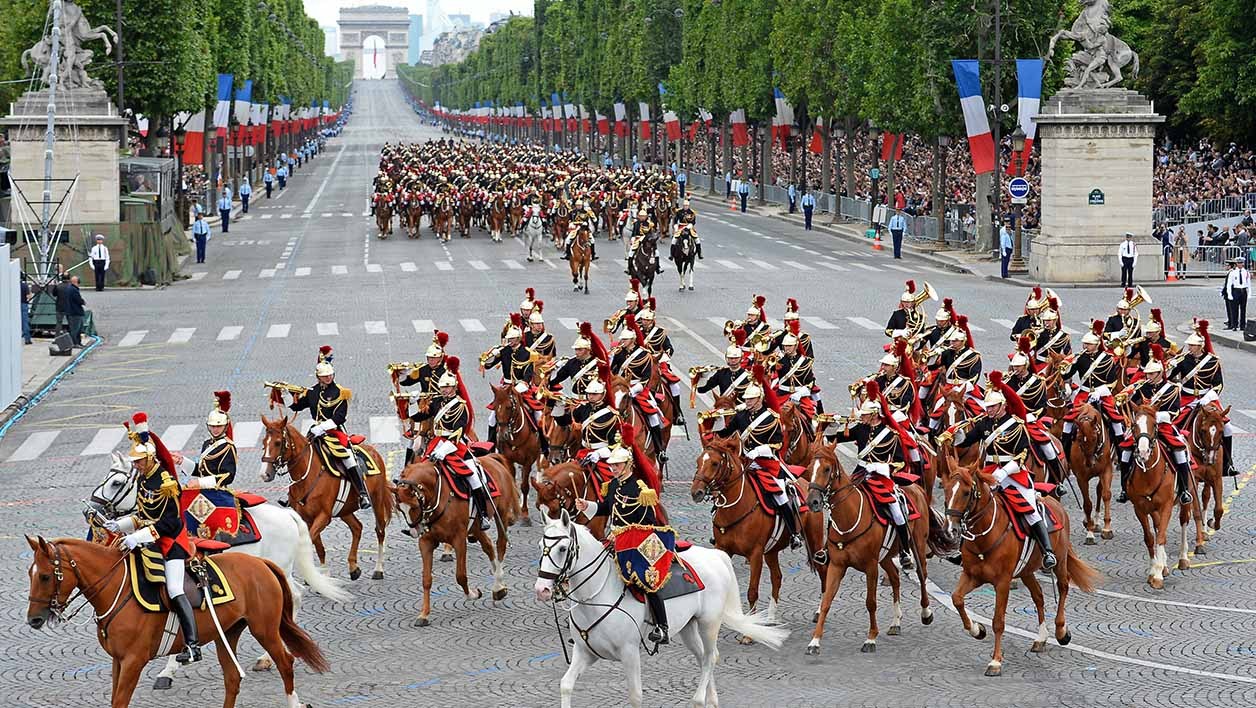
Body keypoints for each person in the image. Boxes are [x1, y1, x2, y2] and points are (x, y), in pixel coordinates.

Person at [103, 413, 202, 664]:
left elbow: (170, 523)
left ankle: (192, 644)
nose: (134, 466)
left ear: (148, 459)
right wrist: (120, 525)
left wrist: (138, 537)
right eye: (134, 462)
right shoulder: (145, 478)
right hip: (151, 539)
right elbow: (143, 514)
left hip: (172, 542)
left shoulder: (167, 483)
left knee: (174, 588)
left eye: (138, 462)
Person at [941, 380, 1057, 570]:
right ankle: (963, 550)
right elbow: (968, 440)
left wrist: (1004, 472)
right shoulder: (984, 422)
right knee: (970, 504)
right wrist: (955, 435)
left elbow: (1022, 455)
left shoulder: (1016, 426)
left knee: (1030, 510)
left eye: (993, 406)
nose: (989, 410)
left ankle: (1047, 551)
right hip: (989, 471)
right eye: (987, 407)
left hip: (1013, 473)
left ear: (1002, 406)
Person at [573, 444, 671, 644]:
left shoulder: (640, 489)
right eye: (612, 465)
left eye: (617, 465)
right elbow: (607, 508)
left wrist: (622, 535)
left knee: (646, 581)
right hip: (616, 540)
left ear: (628, 465)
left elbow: (647, 522)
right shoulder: (613, 485)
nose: (613, 469)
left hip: (636, 542)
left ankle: (662, 627)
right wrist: (587, 506)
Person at [289, 346, 371, 510]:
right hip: (315, 431)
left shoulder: (341, 392)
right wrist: (290, 395)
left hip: (334, 431)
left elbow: (340, 417)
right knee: (298, 455)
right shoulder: (312, 391)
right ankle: (291, 493)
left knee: (348, 457)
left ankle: (362, 493)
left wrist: (323, 428)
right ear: (318, 377)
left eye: (329, 375)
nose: (327, 378)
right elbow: (297, 407)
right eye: (324, 376)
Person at [412, 372, 493, 531]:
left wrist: (443, 450)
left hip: (454, 445)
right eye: (442, 387)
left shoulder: (461, 406)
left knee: (474, 477)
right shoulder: (436, 402)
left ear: (454, 388)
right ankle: (418, 519)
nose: (444, 390)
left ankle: (482, 515)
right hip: (435, 443)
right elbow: (419, 417)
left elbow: (459, 432)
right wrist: (409, 404)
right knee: (418, 474)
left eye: (447, 387)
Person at [175, 391, 238, 491]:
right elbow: (201, 471)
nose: (215, 429)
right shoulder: (207, 444)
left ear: (225, 427)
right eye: (212, 426)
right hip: (203, 490)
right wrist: (182, 461)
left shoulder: (228, 447)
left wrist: (200, 482)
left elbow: (228, 476)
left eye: (219, 426)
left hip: (219, 492)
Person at [57, 275, 85, 348]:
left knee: (76, 329)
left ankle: (78, 342)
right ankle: (75, 343)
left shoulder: (69, 288)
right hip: (75, 312)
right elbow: (78, 300)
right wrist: (83, 302)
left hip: (71, 312)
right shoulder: (73, 290)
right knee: (75, 329)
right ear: (76, 282)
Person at [1224, 257, 1249, 331]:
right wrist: (1229, 294)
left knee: (1243, 309)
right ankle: (1234, 325)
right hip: (1236, 290)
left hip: (1243, 291)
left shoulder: (1246, 272)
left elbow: (1248, 283)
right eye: (1238, 263)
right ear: (1236, 264)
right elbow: (1229, 284)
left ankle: (1242, 325)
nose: (1240, 264)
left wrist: (1249, 292)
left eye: (1241, 263)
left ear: (1243, 263)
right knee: (1235, 309)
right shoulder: (1233, 272)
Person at [20, 273, 32, 345]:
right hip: (23, 304)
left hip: (14, 305)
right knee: (25, 322)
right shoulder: (24, 285)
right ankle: (27, 339)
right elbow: (28, 296)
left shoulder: (12, 285)